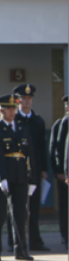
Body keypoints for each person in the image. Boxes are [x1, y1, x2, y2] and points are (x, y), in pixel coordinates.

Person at [0, 93, 34, 261]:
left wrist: (32, 178)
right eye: (8, 108)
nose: (12, 111)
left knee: (20, 214)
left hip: (19, 174)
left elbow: (29, 154)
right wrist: (2, 178)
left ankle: (21, 250)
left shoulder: (22, 128)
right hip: (2, 174)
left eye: (14, 108)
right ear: (1, 110)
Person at [13, 84, 50, 252]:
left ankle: (35, 240)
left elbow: (42, 147)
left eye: (29, 98)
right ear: (18, 100)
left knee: (34, 206)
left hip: (34, 167)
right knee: (15, 205)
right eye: (24, 98)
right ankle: (14, 241)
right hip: (17, 166)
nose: (27, 101)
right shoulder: (14, 120)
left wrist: (43, 168)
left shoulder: (37, 120)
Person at [51, 95, 69, 248]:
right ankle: (65, 234)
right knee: (65, 205)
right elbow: (58, 148)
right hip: (65, 171)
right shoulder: (63, 123)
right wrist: (60, 170)